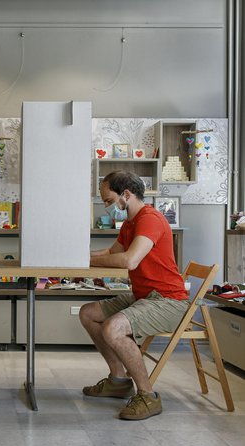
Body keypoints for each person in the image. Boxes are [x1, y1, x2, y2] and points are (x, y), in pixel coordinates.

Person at [80, 170, 189, 420]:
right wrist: (78, 254)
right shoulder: (130, 222)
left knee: (113, 328)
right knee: (88, 314)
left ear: (126, 195)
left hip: (168, 301)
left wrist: (89, 261)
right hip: (145, 296)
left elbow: (129, 260)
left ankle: (148, 396)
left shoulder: (149, 219)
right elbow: (111, 251)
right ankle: (118, 380)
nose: (107, 207)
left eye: (108, 201)